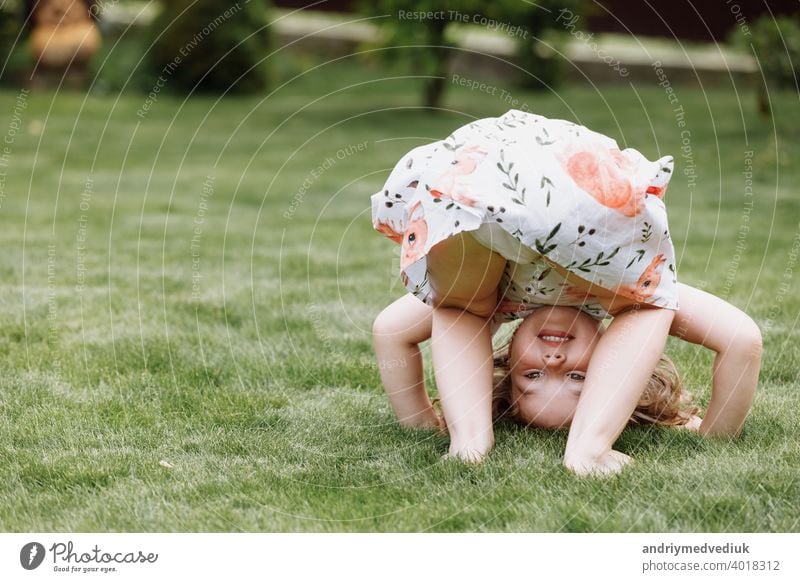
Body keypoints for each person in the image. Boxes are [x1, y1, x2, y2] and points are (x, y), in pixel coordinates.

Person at [370, 110, 762, 476]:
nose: (554, 359)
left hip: (466, 191)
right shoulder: (633, 301)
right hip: (576, 189)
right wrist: (715, 434)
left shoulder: (498, 302)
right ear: (618, 369)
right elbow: (742, 340)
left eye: (533, 374)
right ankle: (588, 448)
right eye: (578, 377)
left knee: (460, 307)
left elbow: (390, 332)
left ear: (502, 363)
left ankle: (469, 442)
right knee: (646, 304)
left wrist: (422, 419)